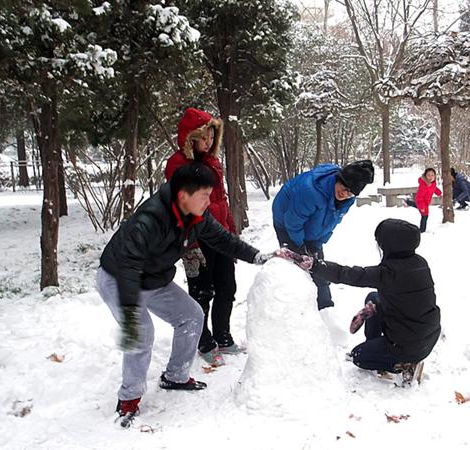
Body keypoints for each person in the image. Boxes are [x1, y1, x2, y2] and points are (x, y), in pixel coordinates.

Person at [97, 163, 274, 427]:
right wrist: (131, 313)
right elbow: (129, 265)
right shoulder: (150, 220)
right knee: (141, 332)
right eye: (204, 195)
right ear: (183, 196)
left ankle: (176, 376)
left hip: (155, 279)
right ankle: (129, 399)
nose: (208, 201)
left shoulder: (197, 216)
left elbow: (224, 240)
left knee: (191, 315)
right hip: (119, 278)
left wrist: (257, 256)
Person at [284, 219, 441, 385]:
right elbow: (405, 299)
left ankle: (403, 364)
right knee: (373, 297)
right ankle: (374, 345)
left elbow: (347, 274)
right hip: (427, 332)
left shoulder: (388, 273)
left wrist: (314, 265)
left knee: (359, 357)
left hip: (407, 345)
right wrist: (378, 307)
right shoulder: (420, 263)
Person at [165, 107, 238, 368]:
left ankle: (223, 335)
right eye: (203, 138)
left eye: (211, 138)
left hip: (220, 237)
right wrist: (190, 245)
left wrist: (230, 229)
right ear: (189, 138)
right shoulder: (178, 165)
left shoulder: (213, 163)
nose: (207, 143)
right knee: (202, 292)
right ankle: (203, 340)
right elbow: (179, 208)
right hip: (196, 240)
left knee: (227, 288)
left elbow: (222, 200)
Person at [272, 160, 374, 311]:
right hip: (286, 222)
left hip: (309, 222)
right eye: (344, 188)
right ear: (338, 179)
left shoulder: (347, 200)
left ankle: (326, 308)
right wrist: (300, 247)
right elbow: (293, 222)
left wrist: (316, 246)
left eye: (350, 192)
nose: (345, 194)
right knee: (296, 263)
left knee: (318, 265)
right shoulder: (310, 190)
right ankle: (296, 309)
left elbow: (329, 224)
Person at [404, 167, 442, 233]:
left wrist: (440, 193)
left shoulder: (433, 183)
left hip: (426, 202)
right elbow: (419, 197)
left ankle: (407, 202)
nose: (430, 177)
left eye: (432, 175)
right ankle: (422, 230)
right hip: (421, 201)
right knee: (425, 216)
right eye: (428, 175)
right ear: (425, 176)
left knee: (419, 207)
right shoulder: (424, 185)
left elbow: (434, 188)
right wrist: (422, 206)